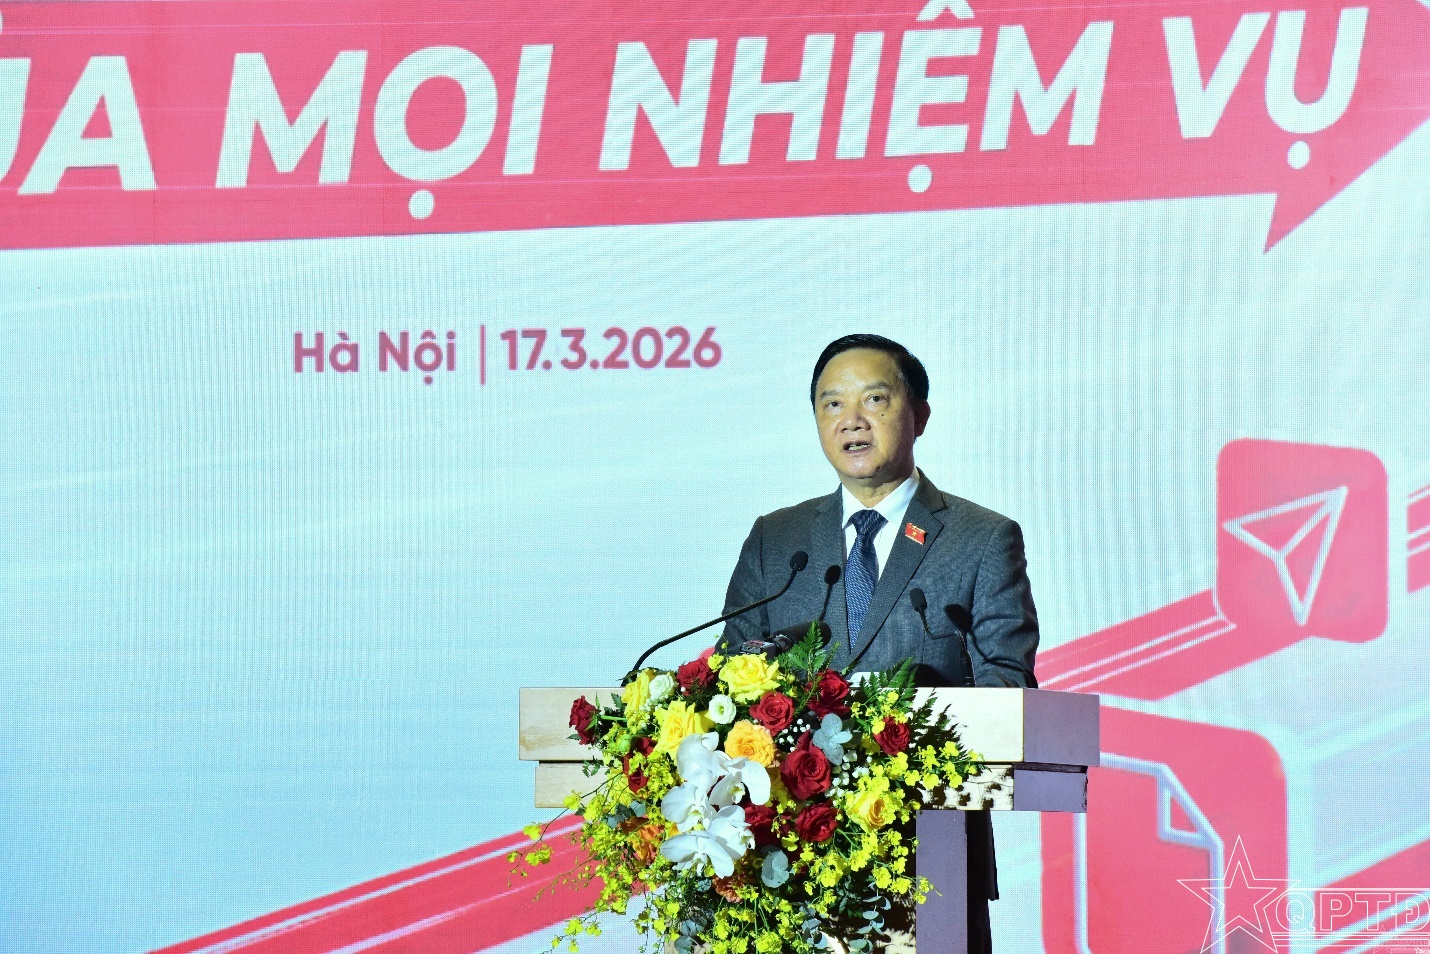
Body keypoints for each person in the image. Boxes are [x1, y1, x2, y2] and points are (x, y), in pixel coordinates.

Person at [718, 333, 1040, 953]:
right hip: (784, 860)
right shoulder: (776, 540)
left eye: (874, 399)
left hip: (928, 858)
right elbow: (729, 677)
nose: (852, 420)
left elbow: (1008, 680)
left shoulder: (981, 538)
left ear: (919, 414)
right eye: (832, 404)